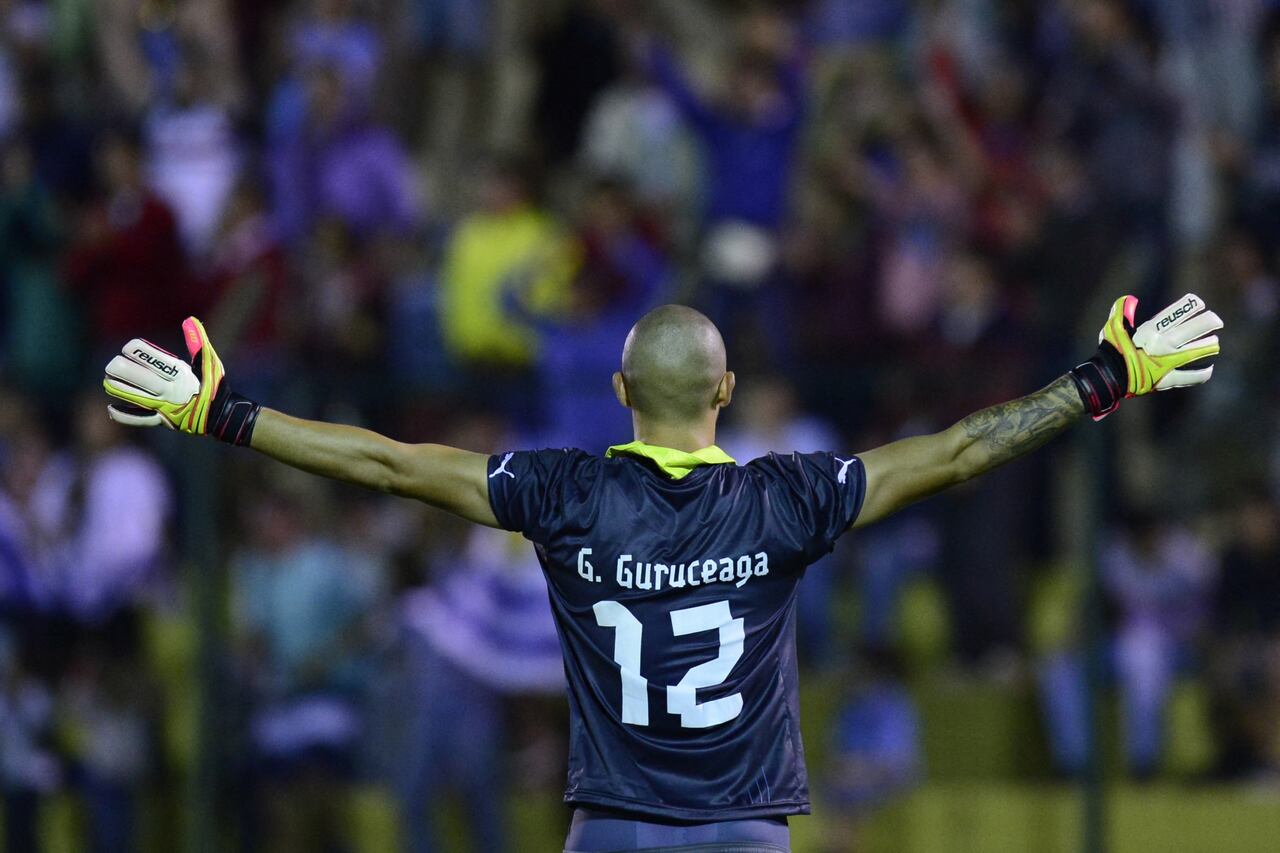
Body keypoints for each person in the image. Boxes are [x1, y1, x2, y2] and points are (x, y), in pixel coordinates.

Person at [100, 292, 1221, 853]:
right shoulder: (786, 500)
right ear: (723, 393)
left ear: (622, 394)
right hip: (741, 829)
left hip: (614, 828)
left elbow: (387, 463)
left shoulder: (564, 494)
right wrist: (1097, 381)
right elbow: (964, 447)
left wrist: (227, 413)